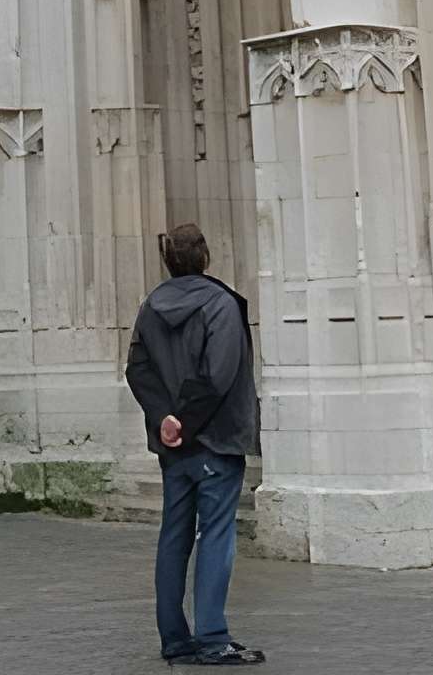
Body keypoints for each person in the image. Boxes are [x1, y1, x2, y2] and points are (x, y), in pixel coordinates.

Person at [125, 223, 261, 667]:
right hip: (215, 439)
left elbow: (138, 369)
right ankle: (211, 636)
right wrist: (182, 420)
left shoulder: (151, 307)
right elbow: (218, 374)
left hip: (174, 446)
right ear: (205, 256)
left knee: (174, 536)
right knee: (216, 535)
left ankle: (175, 637)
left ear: (169, 260)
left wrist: (165, 419)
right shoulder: (220, 304)